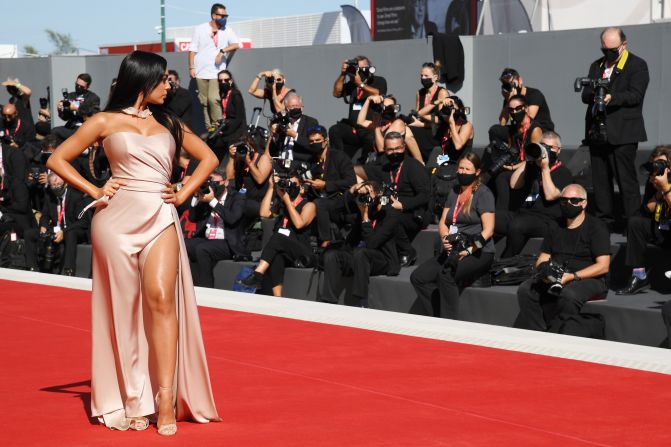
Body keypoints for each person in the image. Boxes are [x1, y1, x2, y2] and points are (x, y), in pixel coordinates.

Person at [46, 51, 220, 435]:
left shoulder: (170, 123)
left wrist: (184, 191)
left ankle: (165, 396)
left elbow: (207, 157)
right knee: (122, 311)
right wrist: (95, 189)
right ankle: (131, 397)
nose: (169, 85)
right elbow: (58, 159)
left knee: (160, 296)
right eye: (163, 80)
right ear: (143, 80)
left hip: (160, 214)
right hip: (115, 220)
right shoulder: (104, 121)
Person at [514, 184, 611, 332]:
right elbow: (543, 257)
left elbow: (603, 266)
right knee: (526, 289)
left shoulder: (596, 227)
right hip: (557, 274)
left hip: (588, 278)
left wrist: (572, 276)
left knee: (568, 295)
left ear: (584, 203)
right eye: (564, 201)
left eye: (574, 200)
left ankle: (561, 333)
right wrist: (545, 271)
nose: (568, 204)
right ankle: (538, 331)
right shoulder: (555, 224)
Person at [410, 153, 495, 318]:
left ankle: (450, 322)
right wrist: (444, 239)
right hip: (454, 247)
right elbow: (443, 221)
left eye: (467, 169)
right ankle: (437, 315)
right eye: (461, 168)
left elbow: (489, 230)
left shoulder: (483, 194)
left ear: (477, 172)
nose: (463, 172)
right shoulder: (454, 191)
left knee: (446, 275)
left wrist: (470, 250)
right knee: (418, 277)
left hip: (479, 251)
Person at [582, 27, 649, 232]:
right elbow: (585, 94)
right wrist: (596, 94)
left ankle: (633, 223)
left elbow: (636, 95)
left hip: (623, 132)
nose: (608, 53)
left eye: (613, 49)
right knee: (601, 181)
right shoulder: (597, 65)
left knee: (626, 180)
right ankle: (604, 222)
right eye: (605, 48)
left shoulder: (637, 65)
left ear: (624, 45)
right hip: (597, 130)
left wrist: (611, 97)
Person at [320, 181, 401, 307]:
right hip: (358, 256)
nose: (365, 198)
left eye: (369, 194)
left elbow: (372, 243)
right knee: (332, 255)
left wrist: (365, 218)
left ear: (378, 195)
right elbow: (333, 212)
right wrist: (352, 191)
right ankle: (328, 301)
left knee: (361, 253)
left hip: (381, 259)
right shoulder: (361, 206)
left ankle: (361, 301)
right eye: (363, 194)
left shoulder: (390, 215)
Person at [238, 172, 317, 296]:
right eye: (288, 184)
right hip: (285, 251)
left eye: (294, 184)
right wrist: (271, 187)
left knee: (279, 236)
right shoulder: (282, 205)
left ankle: (257, 274)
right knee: (276, 256)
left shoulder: (309, 205)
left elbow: (299, 224)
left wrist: (287, 201)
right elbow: (264, 213)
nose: (290, 186)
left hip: (302, 253)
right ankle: (278, 298)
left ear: (301, 188)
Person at [497, 131, 573, 258]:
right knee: (487, 217)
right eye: (543, 146)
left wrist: (545, 168)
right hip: (521, 214)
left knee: (518, 225)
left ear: (559, 151)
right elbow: (514, 184)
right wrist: (528, 160)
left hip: (546, 220)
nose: (546, 151)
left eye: (550, 148)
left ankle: (505, 261)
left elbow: (550, 195)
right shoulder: (533, 166)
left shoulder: (564, 172)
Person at [366, 132, 430, 266]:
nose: (394, 152)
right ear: (384, 150)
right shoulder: (385, 167)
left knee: (391, 214)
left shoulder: (413, 166)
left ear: (404, 147)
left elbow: (425, 195)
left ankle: (407, 251)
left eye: (398, 148)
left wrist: (403, 205)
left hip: (414, 212)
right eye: (390, 149)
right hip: (392, 207)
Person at [616, 146, 671, 295]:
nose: (657, 168)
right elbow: (648, 209)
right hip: (662, 227)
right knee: (635, 222)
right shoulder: (653, 179)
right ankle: (639, 275)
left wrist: (666, 187)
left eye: (662, 164)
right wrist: (658, 191)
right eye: (655, 163)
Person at [185, 169, 250, 287]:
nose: (213, 186)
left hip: (229, 242)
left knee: (202, 249)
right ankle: (191, 285)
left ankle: (205, 287)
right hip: (208, 238)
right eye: (211, 182)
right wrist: (196, 196)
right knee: (184, 244)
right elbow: (192, 218)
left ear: (225, 182)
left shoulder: (237, 197)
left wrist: (213, 202)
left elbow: (232, 219)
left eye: (216, 183)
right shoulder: (208, 196)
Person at [23, 172, 92, 275]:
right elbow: (45, 215)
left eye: (58, 185)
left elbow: (83, 222)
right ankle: (32, 267)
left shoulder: (76, 196)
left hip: (73, 229)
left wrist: (64, 231)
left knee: (70, 233)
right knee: (29, 233)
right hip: (57, 228)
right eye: (53, 185)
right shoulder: (50, 196)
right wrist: (43, 226)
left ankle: (68, 270)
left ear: (65, 184)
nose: (56, 188)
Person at [189, 3, 241, 130]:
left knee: (214, 99)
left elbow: (236, 44)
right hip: (200, 71)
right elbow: (192, 50)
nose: (224, 18)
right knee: (204, 102)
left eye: (226, 15)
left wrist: (222, 51)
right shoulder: (200, 28)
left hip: (216, 72)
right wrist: (191, 67)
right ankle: (210, 128)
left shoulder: (227, 30)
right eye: (222, 15)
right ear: (213, 15)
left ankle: (219, 126)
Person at [302, 125, 356, 246]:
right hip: (316, 197)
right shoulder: (310, 160)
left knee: (320, 204)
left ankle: (325, 241)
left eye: (317, 141)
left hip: (339, 199)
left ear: (326, 141)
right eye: (311, 141)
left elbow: (351, 182)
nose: (314, 143)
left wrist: (325, 184)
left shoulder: (339, 156)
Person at [330, 55, 387, 160]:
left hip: (368, 127)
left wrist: (360, 84)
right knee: (335, 130)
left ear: (370, 67)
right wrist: (343, 74)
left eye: (363, 67)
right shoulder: (353, 84)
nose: (360, 71)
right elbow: (336, 93)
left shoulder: (378, 80)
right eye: (358, 68)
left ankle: (364, 164)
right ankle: (339, 161)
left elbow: (379, 93)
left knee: (370, 138)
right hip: (354, 129)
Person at [356, 94, 424, 164]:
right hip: (381, 164)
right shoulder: (380, 124)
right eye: (385, 107)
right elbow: (360, 121)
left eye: (391, 107)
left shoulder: (398, 124)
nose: (389, 110)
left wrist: (376, 128)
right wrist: (368, 99)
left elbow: (382, 149)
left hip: (395, 164)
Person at [409, 62, 449, 162]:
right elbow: (417, 116)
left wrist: (421, 116)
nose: (423, 78)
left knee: (408, 132)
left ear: (435, 77)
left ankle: (420, 162)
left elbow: (440, 121)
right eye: (421, 75)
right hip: (423, 127)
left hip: (436, 132)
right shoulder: (419, 93)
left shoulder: (442, 93)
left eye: (426, 76)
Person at [209, 69, 246, 161]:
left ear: (231, 81)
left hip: (236, 132)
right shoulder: (224, 95)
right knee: (211, 142)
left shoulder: (235, 95)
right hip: (227, 130)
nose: (223, 82)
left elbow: (239, 118)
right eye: (220, 80)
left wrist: (225, 132)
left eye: (225, 80)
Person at [268, 93, 319, 160]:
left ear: (302, 107)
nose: (295, 108)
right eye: (292, 106)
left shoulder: (311, 122)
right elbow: (272, 151)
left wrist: (295, 135)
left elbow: (313, 146)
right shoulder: (282, 122)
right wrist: (274, 136)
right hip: (280, 163)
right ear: (286, 109)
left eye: (297, 106)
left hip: (299, 164)